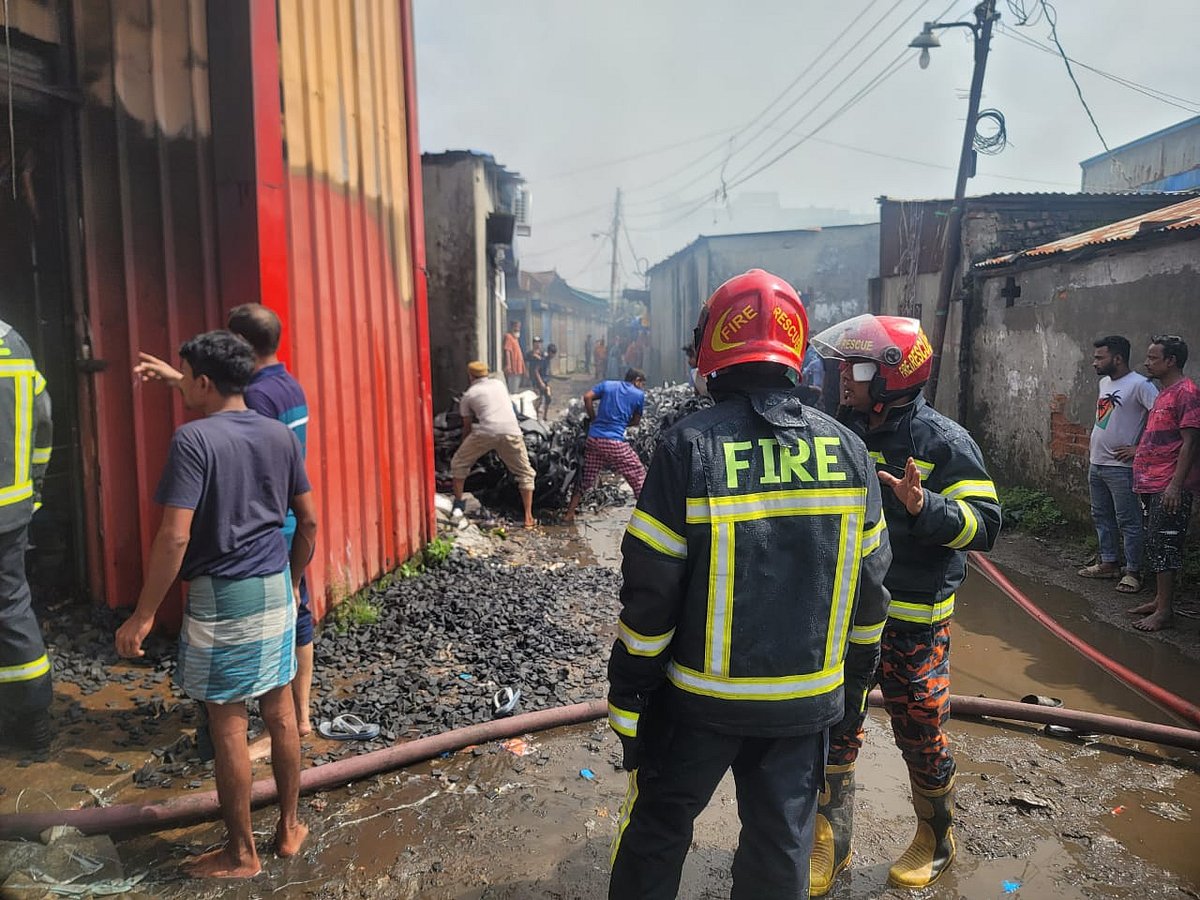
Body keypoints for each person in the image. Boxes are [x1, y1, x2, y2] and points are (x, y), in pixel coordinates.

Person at [607, 270, 891, 899]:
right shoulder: (849, 451)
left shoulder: (686, 448)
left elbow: (650, 595)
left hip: (699, 704)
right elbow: (871, 594)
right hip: (805, 704)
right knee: (780, 843)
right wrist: (854, 690)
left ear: (713, 352)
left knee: (659, 827)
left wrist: (630, 698)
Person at [809, 314, 1001, 893]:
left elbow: (987, 524)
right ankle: (831, 841)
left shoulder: (941, 441)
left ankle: (935, 837)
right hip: (848, 611)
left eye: (859, 367)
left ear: (894, 376)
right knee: (836, 719)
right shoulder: (837, 428)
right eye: (843, 365)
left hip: (914, 616)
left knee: (918, 722)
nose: (845, 376)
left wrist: (926, 509)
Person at [116, 331, 315, 878]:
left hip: (224, 594)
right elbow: (311, 520)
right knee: (279, 716)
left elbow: (174, 538)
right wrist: (294, 580)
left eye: (186, 378)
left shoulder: (193, 440)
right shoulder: (278, 434)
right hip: (276, 584)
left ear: (203, 383)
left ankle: (241, 853)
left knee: (228, 725)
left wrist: (145, 612)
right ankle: (289, 828)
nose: (181, 387)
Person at [135, 304, 317, 738]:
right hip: (286, 527)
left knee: (229, 697)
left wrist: (144, 613)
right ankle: (301, 719)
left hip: (256, 534)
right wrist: (177, 378)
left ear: (243, 347)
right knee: (297, 619)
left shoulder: (254, 399)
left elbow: (239, 457)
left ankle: (246, 734)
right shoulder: (288, 386)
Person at [0, 319, 53, 753]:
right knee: (12, 607)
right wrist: (34, 488)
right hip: (11, 509)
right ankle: (34, 721)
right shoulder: (15, 343)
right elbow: (43, 422)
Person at [1128, 334, 1199, 632]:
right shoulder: (1164, 393)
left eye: (1154, 358)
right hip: (1151, 483)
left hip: (1169, 486)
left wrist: (1174, 485)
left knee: (1165, 544)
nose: (1147, 362)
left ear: (1171, 361)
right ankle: (1160, 600)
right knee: (1155, 542)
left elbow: (1191, 443)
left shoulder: (1187, 392)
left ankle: (1165, 611)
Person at [1079, 335, 1157, 595]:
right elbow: (1106, 420)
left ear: (1118, 358)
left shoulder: (1141, 385)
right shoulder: (1104, 383)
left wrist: (1140, 449)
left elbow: (1161, 420)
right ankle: (1109, 562)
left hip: (1121, 468)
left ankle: (1134, 571)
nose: (1094, 363)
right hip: (1097, 463)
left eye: (1100, 357)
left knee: (1129, 521)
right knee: (1101, 516)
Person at [450, 361, 537, 528]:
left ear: (470, 376)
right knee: (525, 472)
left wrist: (463, 446)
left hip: (486, 432)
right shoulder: (498, 384)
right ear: (486, 373)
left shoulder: (469, 395)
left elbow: (467, 426)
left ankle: (458, 505)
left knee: (458, 464)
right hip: (512, 431)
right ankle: (528, 517)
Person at [563, 368, 648, 523]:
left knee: (586, 478)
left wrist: (594, 418)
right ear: (636, 380)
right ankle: (646, 516)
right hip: (613, 442)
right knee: (638, 473)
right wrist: (621, 423)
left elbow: (587, 397)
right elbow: (636, 421)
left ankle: (569, 514)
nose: (642, 387)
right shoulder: (638, 395)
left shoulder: (608, 385)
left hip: (594, 439)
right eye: (642, 384)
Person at [529, 342, 558, 420]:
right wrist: (541, 382)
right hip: (539, 382)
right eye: (553, 354)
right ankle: (536, 415)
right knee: (539, 399)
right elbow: (536, 371)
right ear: (549, 352)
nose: (553, 356)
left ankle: (545, 416)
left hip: (545, 382)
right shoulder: (543, 359)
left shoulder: (548, 360)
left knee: (548, 398)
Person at [503, 320, 525, 394]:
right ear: (511, 327)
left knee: (515, 390)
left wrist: (523, 367)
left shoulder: (515, 339)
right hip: (513, 369)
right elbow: (507, 351)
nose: (518, 329)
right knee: (512, 391)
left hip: (518, 369)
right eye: (516, 327)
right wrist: (509, 365)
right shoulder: (509, 337)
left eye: (519, 327)